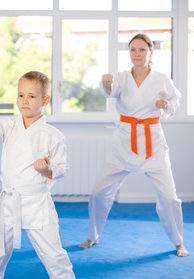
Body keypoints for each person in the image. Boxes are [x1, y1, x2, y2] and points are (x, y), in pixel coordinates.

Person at [0, 71, 75, 279]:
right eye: (21, 95)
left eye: (31, 96)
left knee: (54, 256)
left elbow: (61, 169)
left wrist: (46, 169)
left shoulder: (53, 135)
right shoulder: (10, 125)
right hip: (8, 202)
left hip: (36, 204)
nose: (24, 101)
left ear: (45, 100)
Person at [79, 33, 189, 257]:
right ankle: (93, 235)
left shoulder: (161, 79)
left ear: (150, 52)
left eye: (142, 50)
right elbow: (109, 92)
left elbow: (175, 102)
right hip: (124, 141)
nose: (137, 54)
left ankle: (179, 241)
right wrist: (105, 82)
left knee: (169, 197)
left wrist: (165, 104)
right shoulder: (120, 77)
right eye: (132, 50)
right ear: (128, 53)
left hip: (152, 142)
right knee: (99, 193)